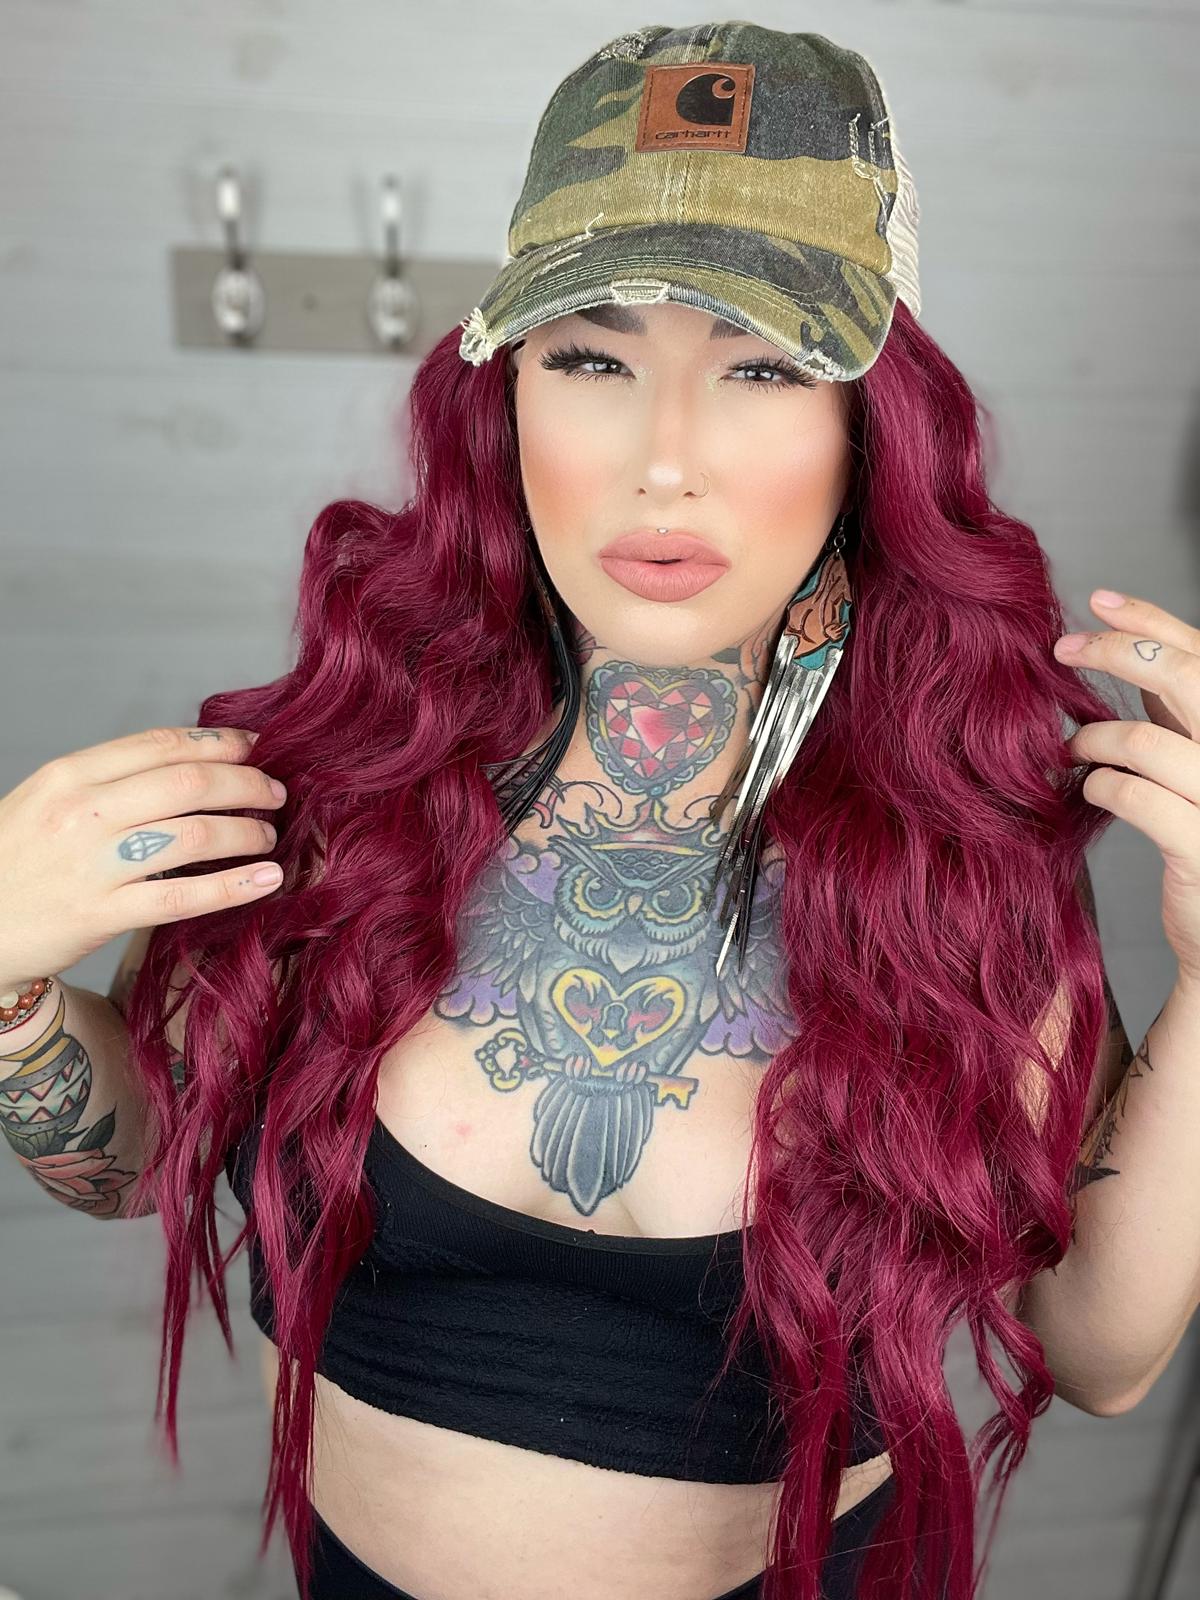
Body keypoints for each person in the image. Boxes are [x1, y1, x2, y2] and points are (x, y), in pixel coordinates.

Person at [8, 19, 1199, 1600]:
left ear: (869, 432)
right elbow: (131, 1159)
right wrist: (11, 989)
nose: (664, 461)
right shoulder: (340, 782)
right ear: (502, 400)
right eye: (592, 358)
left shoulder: (951, 859)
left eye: (764, 367)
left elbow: (1100, 1352)